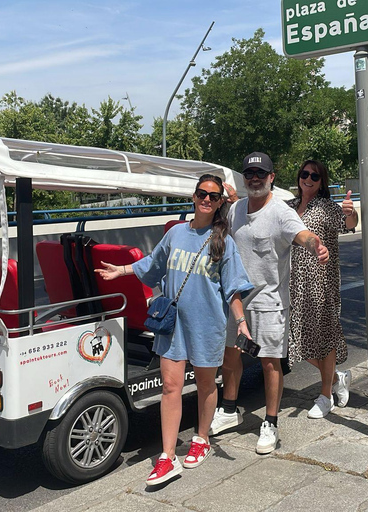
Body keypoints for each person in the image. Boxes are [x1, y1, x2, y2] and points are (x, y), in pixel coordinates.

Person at [95, 174, 253, 486]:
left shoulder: (223, 241)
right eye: (201, 194)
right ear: (194, 197)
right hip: (173, 324)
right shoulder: (176, 233)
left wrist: (242, 323)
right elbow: (153, 264)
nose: (206, 199)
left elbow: (233, 289)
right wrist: (122, 270)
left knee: (207, 384)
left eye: (213, 196)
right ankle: (167, 456)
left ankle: (202, 437)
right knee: (170, 386)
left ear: (221, 202)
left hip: (207, 324)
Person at [210, 152, 329, 455]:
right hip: (237, 300)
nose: (255, 178)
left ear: (271, 177)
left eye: (261, 174)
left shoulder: (280, 211)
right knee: (231, 356)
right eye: (250, 173)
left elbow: (301, 234)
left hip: (269, 302)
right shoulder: (236, 209)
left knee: (269, 363)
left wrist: (315, 244)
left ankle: (271, 423)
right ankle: (229, 409)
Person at [286, 160, 358, 419]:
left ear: (321, 181)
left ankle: (325, 395)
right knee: (295, 341)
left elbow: (348, 224)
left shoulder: (327, 208)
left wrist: (350, 212)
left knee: (324, 337)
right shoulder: (289, 207)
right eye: (304, 174)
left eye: (314, 176)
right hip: (292, 283)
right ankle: (338, 377)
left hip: (321, 283)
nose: (308, 179)